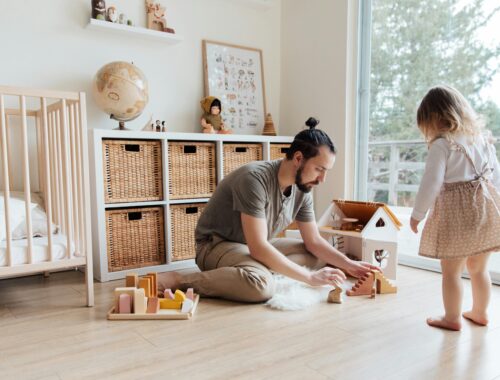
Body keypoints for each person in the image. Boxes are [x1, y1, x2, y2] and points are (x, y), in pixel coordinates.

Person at [157, 117, 380, 302]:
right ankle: (182, 281)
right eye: (319, 169)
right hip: (217, 245)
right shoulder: (254, 179)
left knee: (316, 257)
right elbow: (259, 247)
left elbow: (313, 241)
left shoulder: (303, 188)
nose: (322, 179)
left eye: (326, 171)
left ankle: (253, 271)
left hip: (254, 245)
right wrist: (309, 279)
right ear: (298, 158)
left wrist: (351, 265)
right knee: (261, 286)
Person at [410, 85, 500, 331]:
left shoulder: (442, 145)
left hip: (458, 216)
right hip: (486, 210)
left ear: (434, 119)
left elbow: (431, 183)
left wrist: (417, 215)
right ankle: (480, 312)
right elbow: (495, 176)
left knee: (451, 270)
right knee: (479, 267)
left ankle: (452, 318)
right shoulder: (481, 139)